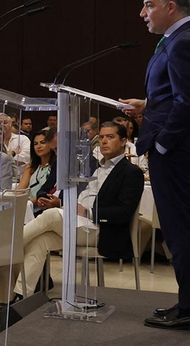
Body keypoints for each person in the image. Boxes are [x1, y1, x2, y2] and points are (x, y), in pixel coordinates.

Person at [122, 0, 190, 330]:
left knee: (181, 228)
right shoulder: (184, 38)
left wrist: (161, 143)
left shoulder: (185, 43)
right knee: (185, 227)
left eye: (148, 5)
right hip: (182, 146)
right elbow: (178, 95)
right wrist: (148, 106)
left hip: (177, 150)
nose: (142, 12)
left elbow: (189, 104)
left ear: (170, 7)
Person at [19, 120, 146, 296]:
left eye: (110, 137)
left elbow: (124, 212)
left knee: (51, 215)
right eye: (101, 137)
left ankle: (6, 247)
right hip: (79, 224)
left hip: (102, 229)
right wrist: (70, 206)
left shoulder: (131, 172)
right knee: (40, 241)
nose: (104, 141)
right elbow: (82, 197)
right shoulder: (96, 167)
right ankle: (20, 294)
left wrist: (88, 212)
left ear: (124, 141)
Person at [20, 128, 61, 209]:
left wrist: (32, 202)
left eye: (42, 142)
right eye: (35, 144)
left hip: (45, 204)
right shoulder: (31, 167)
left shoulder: (56, 166)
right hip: (28, 204)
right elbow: (20, 190)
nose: (39, 146)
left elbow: (51, 191)